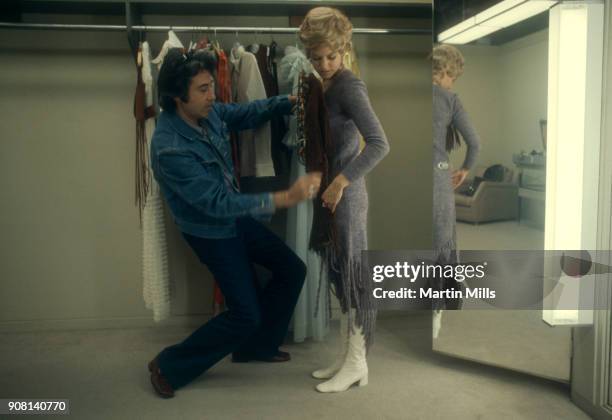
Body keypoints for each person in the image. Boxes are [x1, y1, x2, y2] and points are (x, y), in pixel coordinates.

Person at [147, 48, 322, 398]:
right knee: (245, 314)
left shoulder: (208, 113)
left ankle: (256, 347)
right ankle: (168, 365)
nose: (213, 95)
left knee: (292, 269)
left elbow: (243, 112)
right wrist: (284, 198)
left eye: (212, 86)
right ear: (178, 97)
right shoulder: (169, 148)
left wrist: (287, 101)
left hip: (235, 218)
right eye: (203, 89)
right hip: (210, 231)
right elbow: (216, 203)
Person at [298, 7, 390, 393]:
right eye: (316, 58)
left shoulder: (349, 86)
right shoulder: (322, 85)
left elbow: (381, 145)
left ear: (344, 50)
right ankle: (349, 357)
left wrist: (340, 183)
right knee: (339, 277)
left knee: (352, 278)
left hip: (346, 198)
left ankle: (357, 362)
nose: (324, 64)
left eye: (331, 57)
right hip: (330, 198)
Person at [431, 44, 480, 337]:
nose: (453, 83)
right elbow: (475, 142)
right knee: (441, 248)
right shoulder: (450, 99)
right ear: (446, 72)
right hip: (437, 179)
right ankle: (436, 311)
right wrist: (464, 169)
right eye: (453, 77)